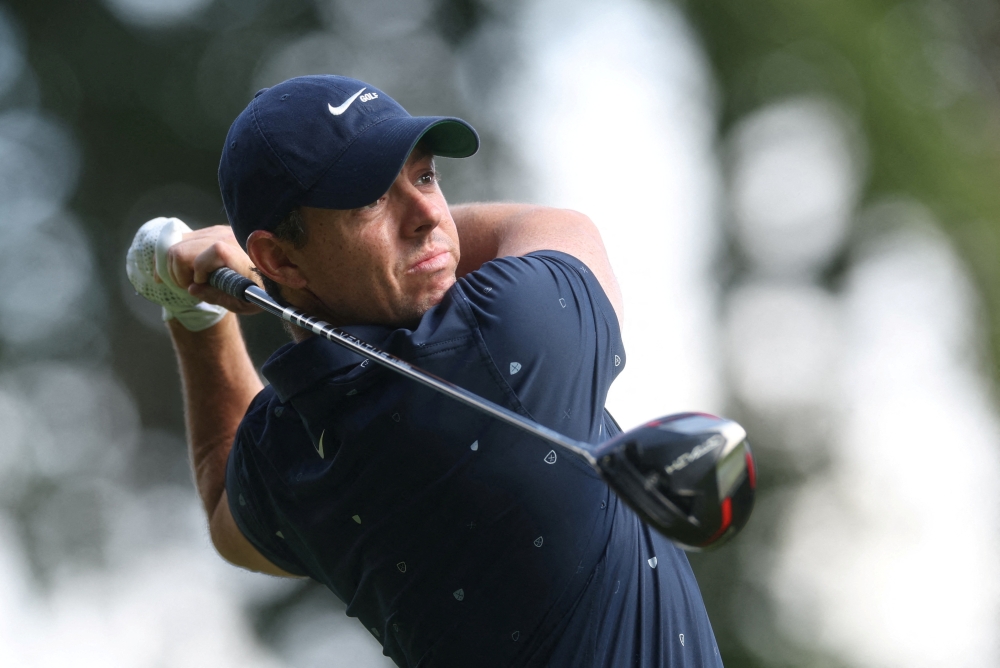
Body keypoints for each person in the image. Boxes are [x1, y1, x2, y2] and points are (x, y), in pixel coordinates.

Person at [127, 74, 723, 667]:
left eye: (424, 177)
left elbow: (222, 508)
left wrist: (192, 311)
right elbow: (563, 228)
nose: (428, 215)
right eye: (369, 199)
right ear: (279, 258)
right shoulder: (512, 334)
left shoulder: (289, 454)